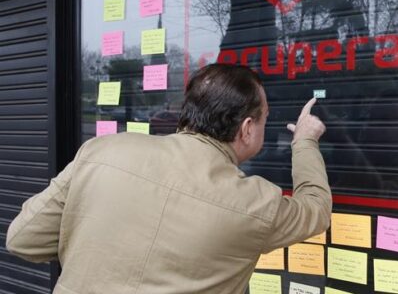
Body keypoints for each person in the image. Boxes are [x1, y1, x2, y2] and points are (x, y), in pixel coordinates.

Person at [6, 63, 331, 293]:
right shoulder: (253, 204)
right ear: (247, 129)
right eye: (264, 120)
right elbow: (315, 208)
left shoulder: (101, 151)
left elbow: (23, 238)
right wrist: (305, 139)